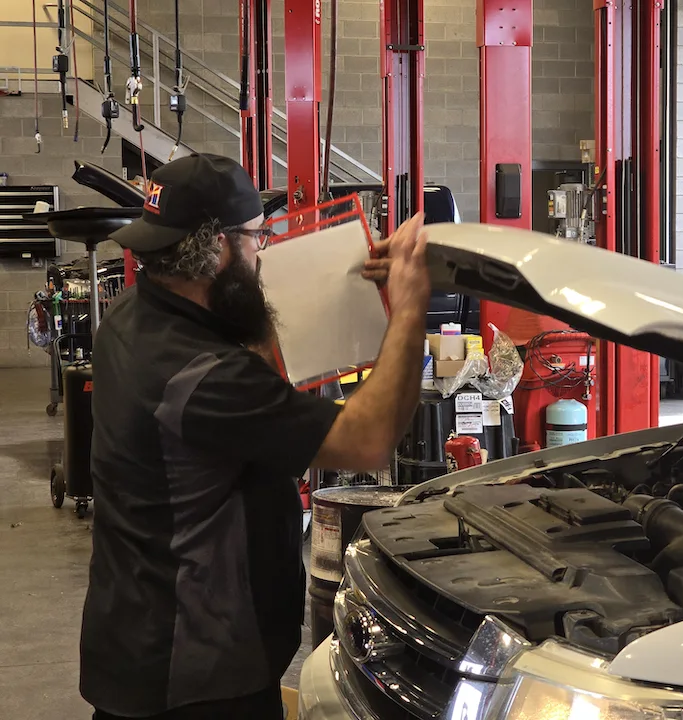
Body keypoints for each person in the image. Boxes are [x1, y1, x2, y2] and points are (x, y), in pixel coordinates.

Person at [79, 153, 431, 719]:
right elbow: (368, 440)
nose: (262, 250)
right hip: (199, 678)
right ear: (217, 247)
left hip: (135, 644)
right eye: (256, 237)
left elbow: (240, 345)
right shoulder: (204, 378)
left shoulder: (128, 320)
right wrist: (412, 305)